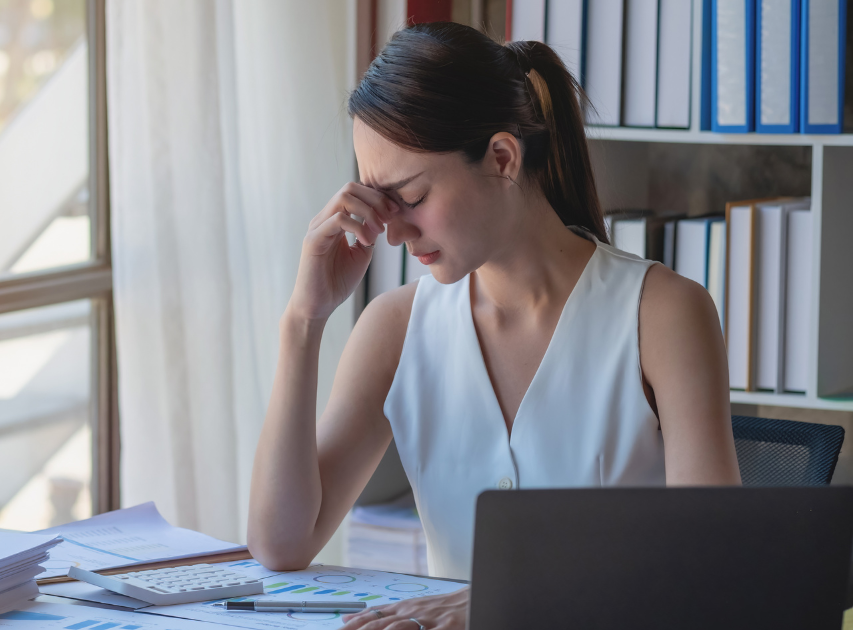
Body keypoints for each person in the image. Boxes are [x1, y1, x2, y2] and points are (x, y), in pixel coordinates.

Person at [247, 22, 741, 630]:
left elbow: (713, 562)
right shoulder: (394, 328)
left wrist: (508, 599)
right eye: (380, 202)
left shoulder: (663, 314)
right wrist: (304, 320)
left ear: (502, 158)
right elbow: (282, 544)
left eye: (411, 196)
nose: (393, 233)